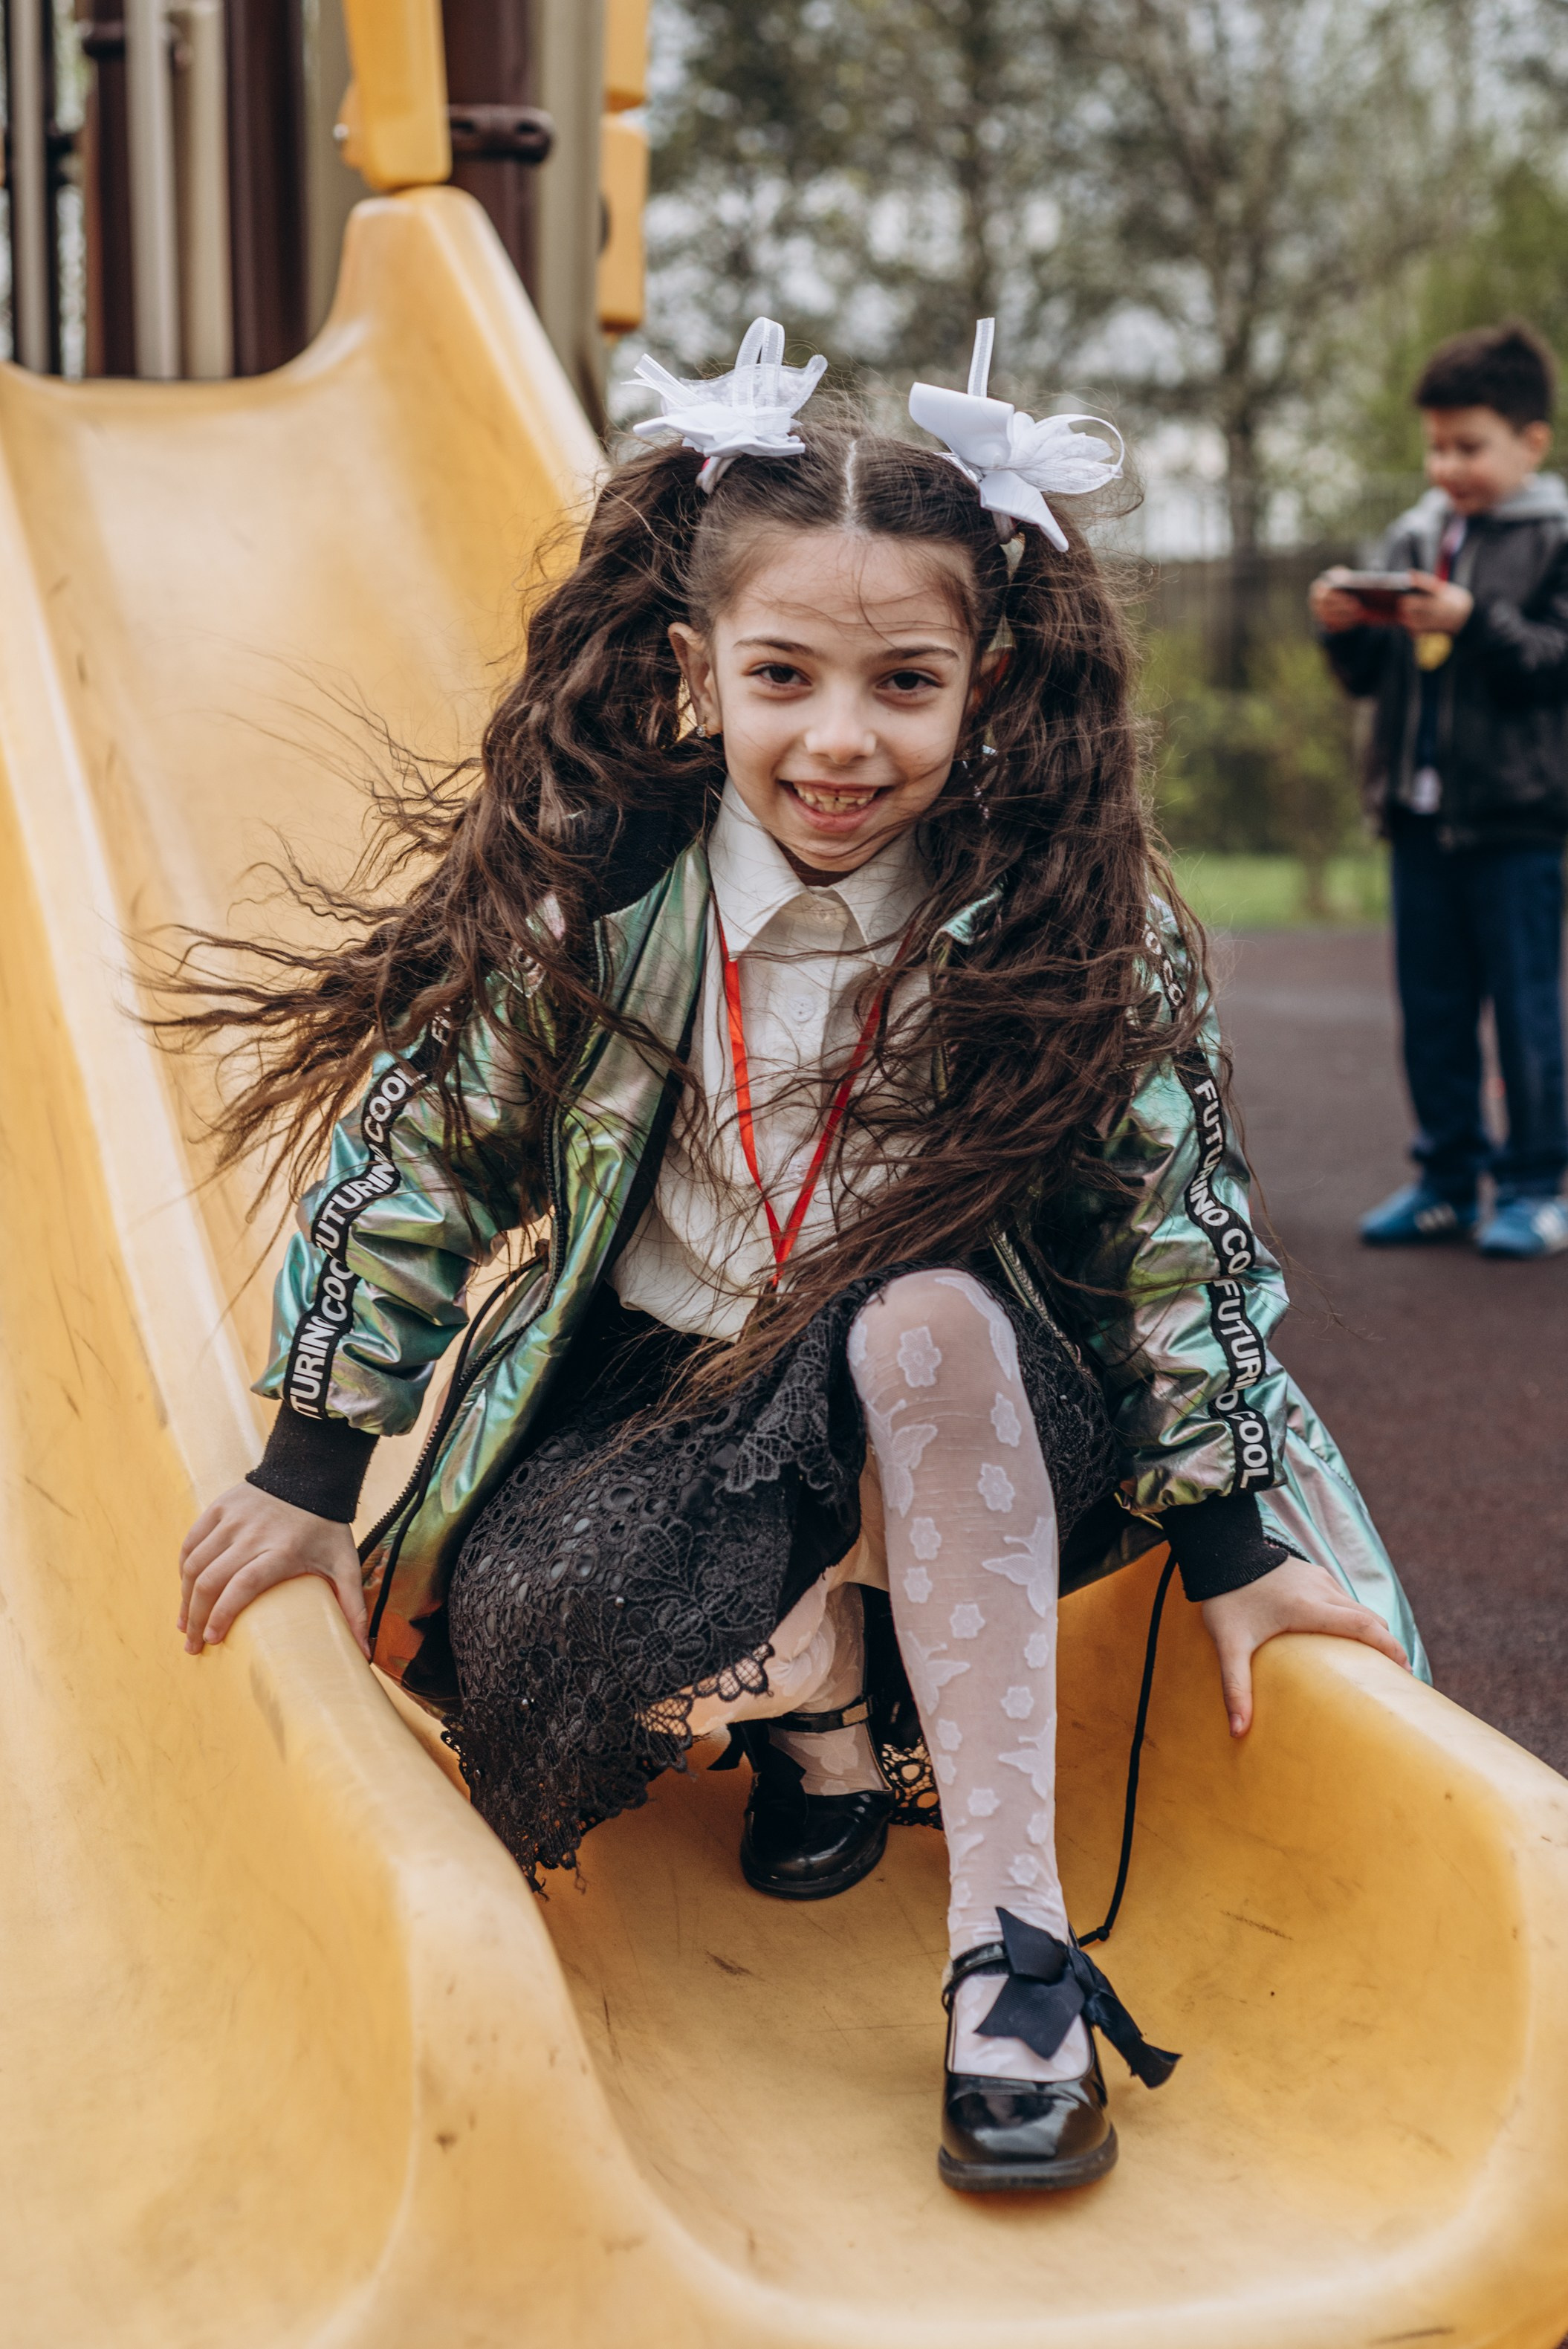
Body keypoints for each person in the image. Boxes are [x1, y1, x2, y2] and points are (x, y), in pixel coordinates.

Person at [173, 319, 1419, 2194]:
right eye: (784, 676)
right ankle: (823, 1706)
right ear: (700, 673)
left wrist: (1239, 1541)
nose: (842, 739)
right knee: (531, 1645)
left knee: (920, 1319)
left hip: (970, 1395)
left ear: (981, 685)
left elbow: (1176, 1223)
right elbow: (416, 1155)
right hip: (669, 1385)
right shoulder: (599, 890)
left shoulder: (1054, 922)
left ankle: (1012, 1957)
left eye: (904, 683)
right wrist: (307, 1470)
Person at [1311, 320, 1568, 1258]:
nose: (1447, 463)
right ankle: (1446, 1179)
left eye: (1470, 445)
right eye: (1436, 444)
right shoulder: (1416, 530)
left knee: (1526, 1007)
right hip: (1417, 818)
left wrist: (1472, 620)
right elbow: (1373, 677)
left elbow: (1550, 664)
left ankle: (1536, 1185)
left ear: (1529, 442)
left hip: (1516, 821)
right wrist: (1344, 624)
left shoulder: (1553, 537)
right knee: (1432, 1006)